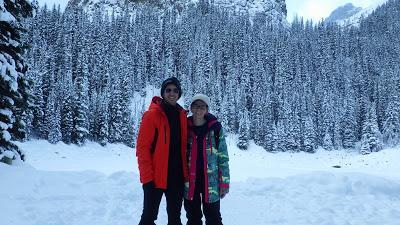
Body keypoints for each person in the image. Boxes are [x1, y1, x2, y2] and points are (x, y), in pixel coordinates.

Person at [136, 77, 189, 225]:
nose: (172, 93)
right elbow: (142, 148)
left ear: (179, 94)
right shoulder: (152, 115)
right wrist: (147, 178)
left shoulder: (182, 116)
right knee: (148, 218)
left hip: (177, 177)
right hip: (155, 177)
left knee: (175, 219)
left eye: (175, 90)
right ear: (163, 92)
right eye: (168, 90)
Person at [184, 94, 230, 225]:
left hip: (211, 182)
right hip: (190, 182)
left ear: (207, 109)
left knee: (214, 218)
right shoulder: (185, 127)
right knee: (193, 218)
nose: (199, 109)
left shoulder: (215, 128)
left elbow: (223, 157)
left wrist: (224, 183)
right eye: (196, 106)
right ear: (191, 108)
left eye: (202, 106)